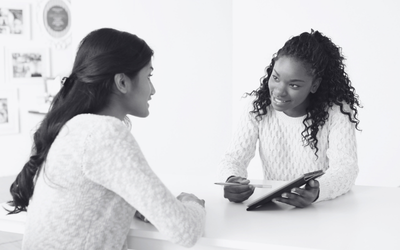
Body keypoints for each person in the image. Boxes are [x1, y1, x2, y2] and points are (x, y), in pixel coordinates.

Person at [7, 28, 206, 249]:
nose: (153, 90)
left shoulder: (74, 127)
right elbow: (185, 232)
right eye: (148, 76)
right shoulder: (103, 133)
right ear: (122, 82)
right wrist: (193, 203)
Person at [218, 30, 361, 208]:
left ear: (314, 85)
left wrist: (317, 192)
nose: (279, 91)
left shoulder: (336, 111)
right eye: (276, 77)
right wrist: (231, 180)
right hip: (274, 211)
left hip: (321, 213)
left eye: (294, 85)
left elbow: (346, 168)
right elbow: (233, 158)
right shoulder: (258, 108)